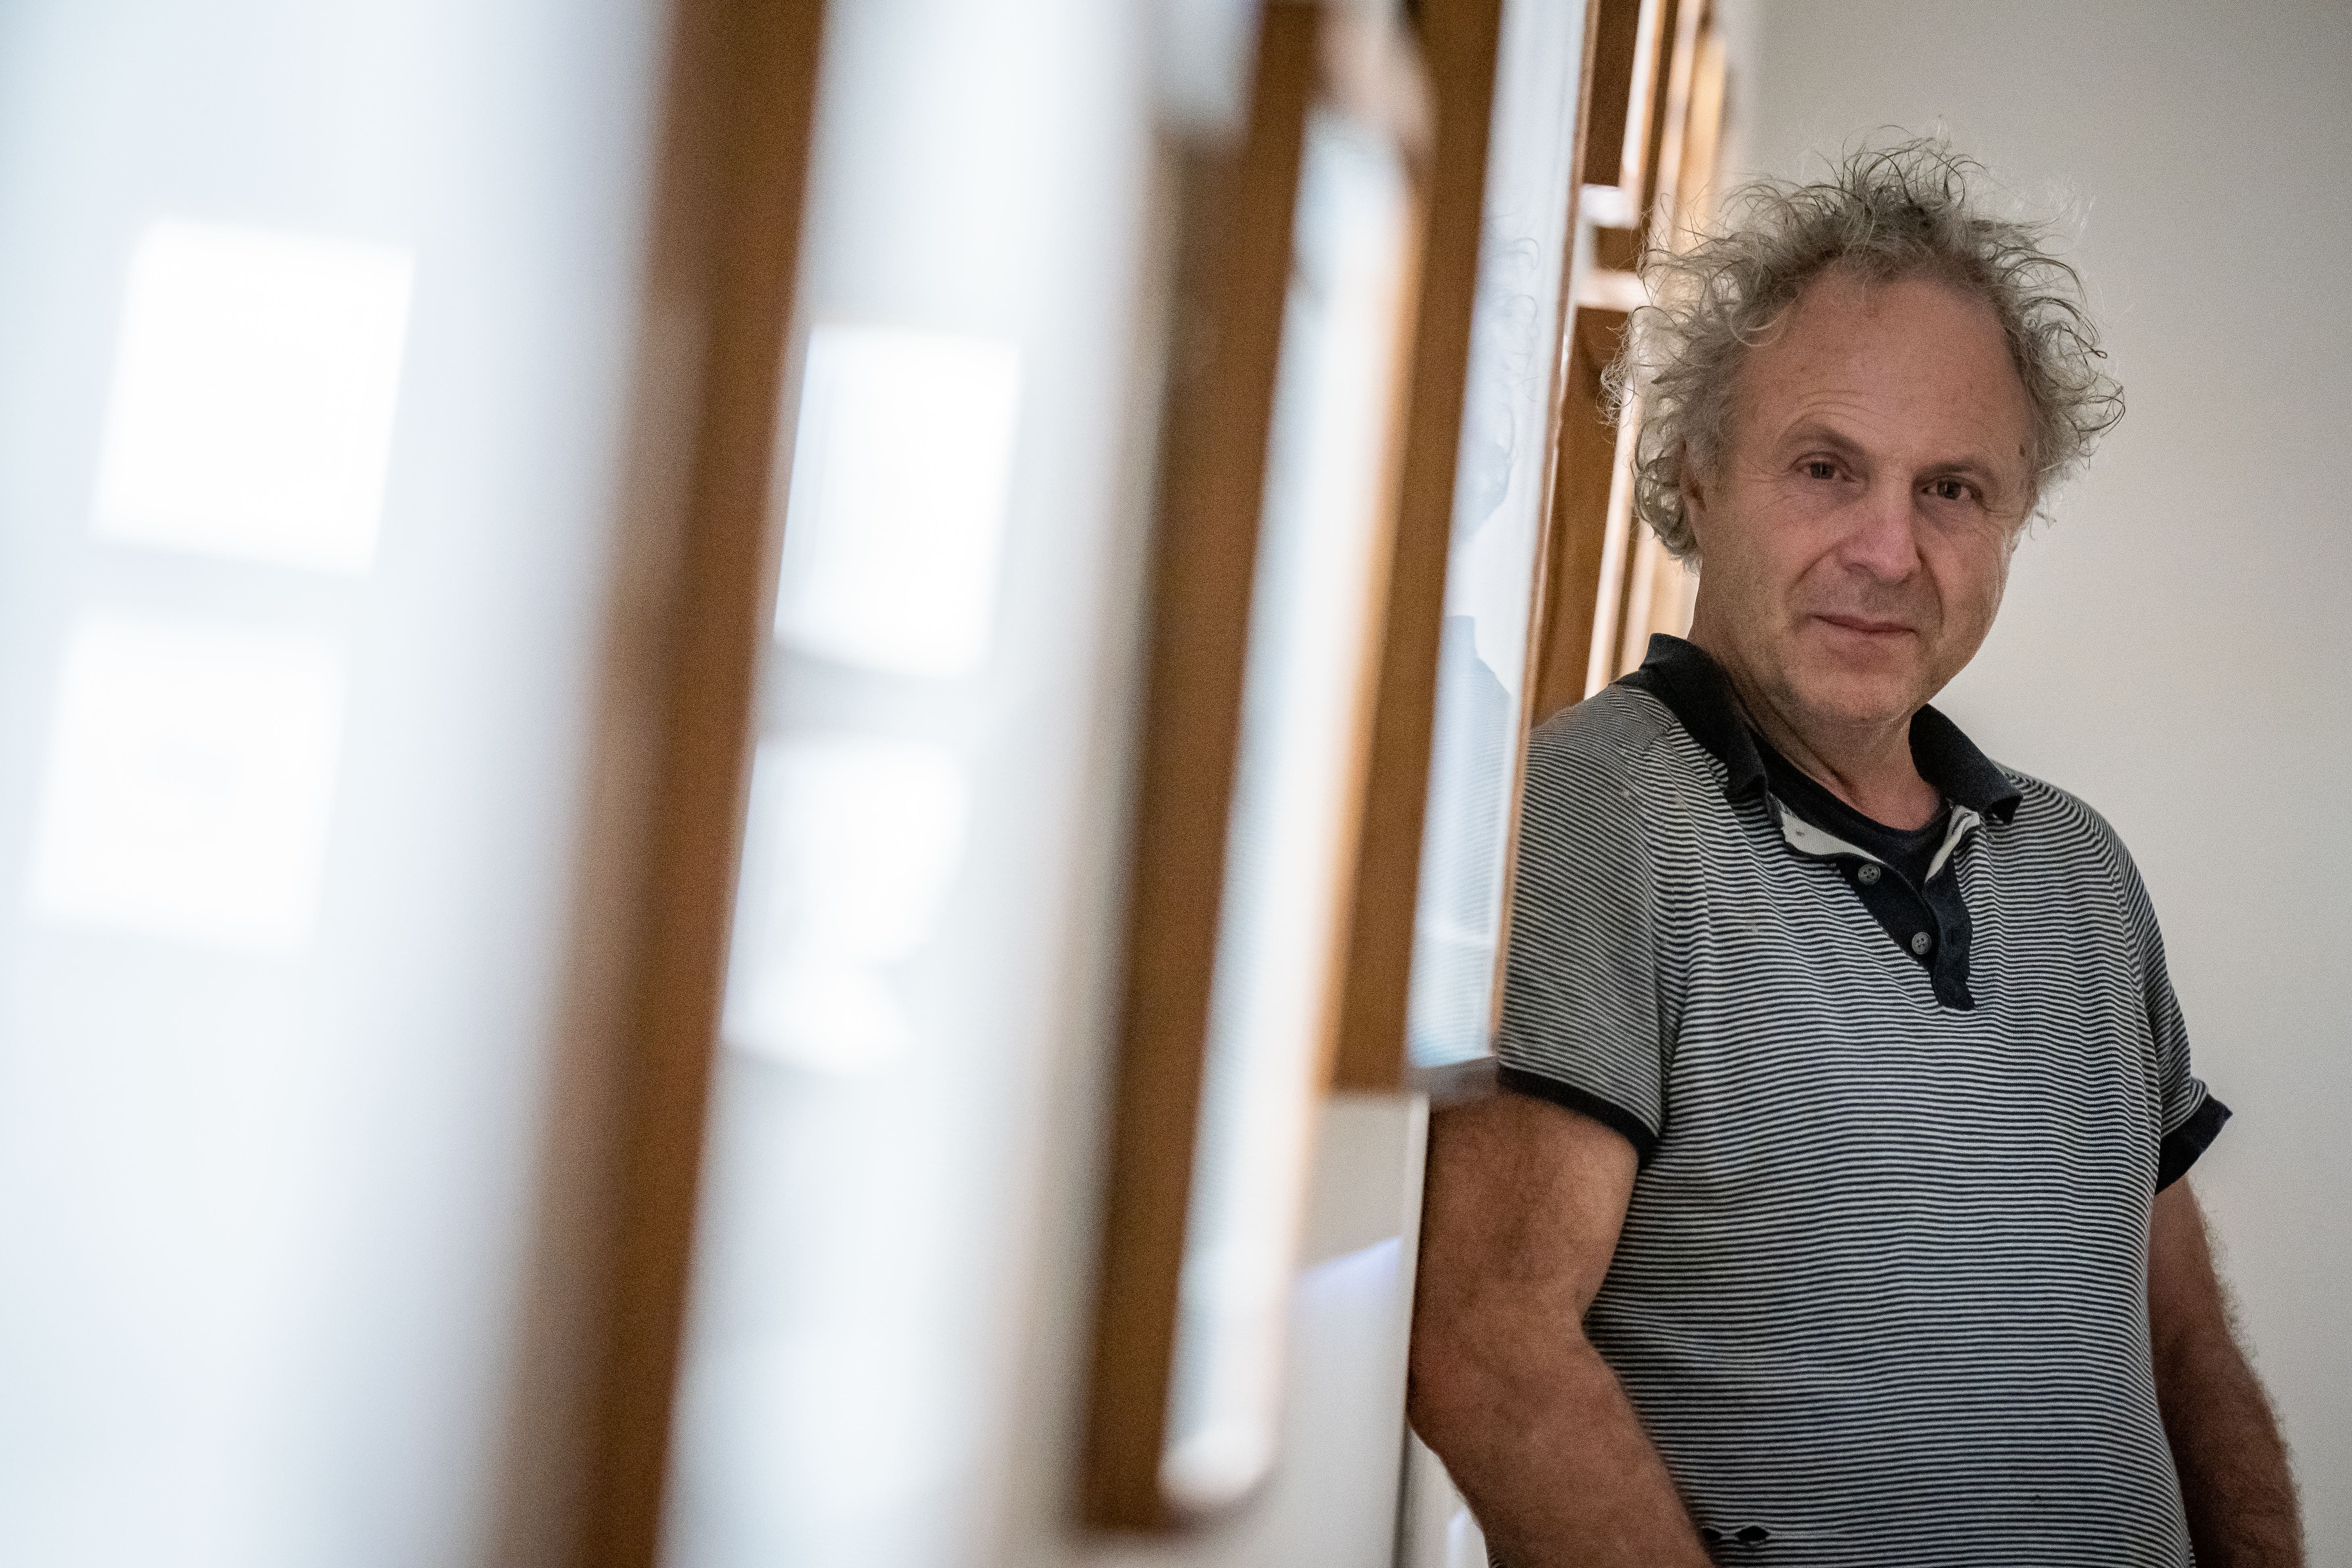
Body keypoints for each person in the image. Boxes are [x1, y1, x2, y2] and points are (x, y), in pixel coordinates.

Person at [1405, 142, 2303, 1566]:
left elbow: (2190, 1354)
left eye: (1953, 490)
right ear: (1698, 471)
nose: (1888, 550)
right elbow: (1487, 1350)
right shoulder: (1598, 812)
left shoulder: (2079, 872)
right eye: (1826, 468)